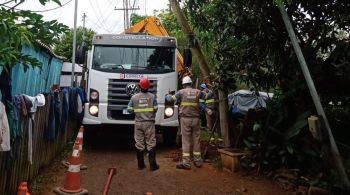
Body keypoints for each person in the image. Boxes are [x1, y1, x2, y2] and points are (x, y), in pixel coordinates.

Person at [166, 76, 212, 169]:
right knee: (196, 140)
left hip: (185, 119)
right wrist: (209, 90)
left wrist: (167, 95)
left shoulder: (181, 92)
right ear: (191, 83)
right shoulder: (198, 92)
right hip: (196, 119)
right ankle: (198, 161)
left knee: (186, 141)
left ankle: (186, 163)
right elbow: (208, 96)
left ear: (183, 84)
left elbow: (170, 100)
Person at [127, 77, 159, 171]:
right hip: (149, 123)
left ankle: (141, 165)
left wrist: (136, 111)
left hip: (138, 123)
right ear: (148, 87)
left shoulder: (134, 97)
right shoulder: (152, 97)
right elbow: (156, 108)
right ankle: (153, 165)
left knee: (139, 143)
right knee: (151, 143)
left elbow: (129, 110)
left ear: (140, 86)